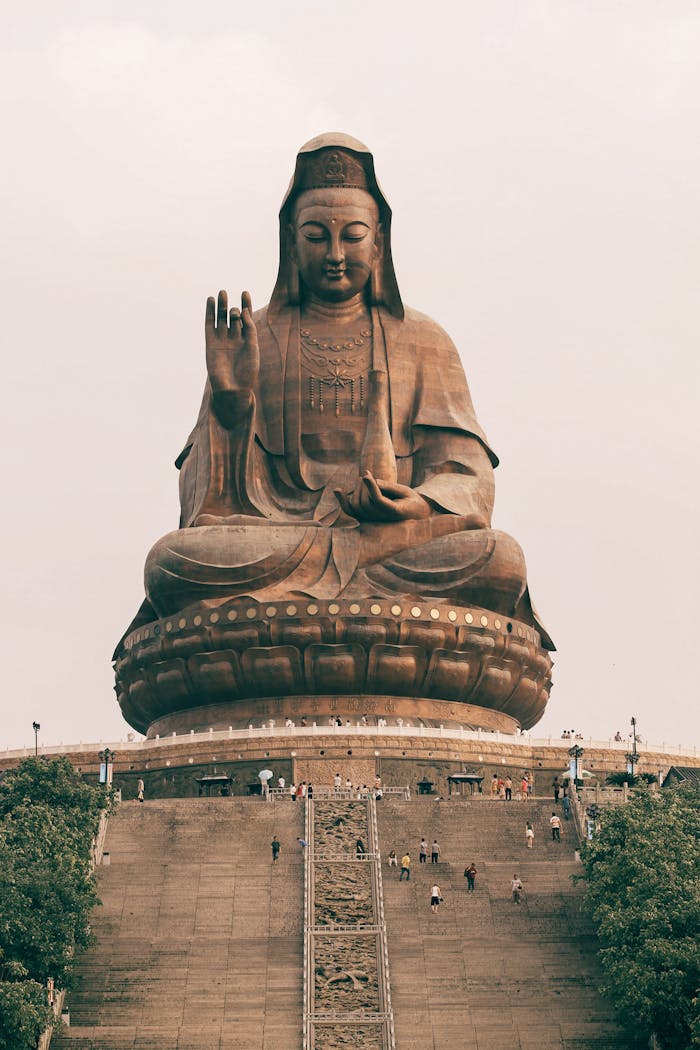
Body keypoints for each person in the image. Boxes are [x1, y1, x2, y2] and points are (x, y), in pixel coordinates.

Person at [126, 133, 552, 650]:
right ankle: (339, 597)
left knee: (499, 559)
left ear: (379, 242)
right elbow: (205, 502)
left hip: (389, 542)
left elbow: (469, 477)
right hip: (282, 536)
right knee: (173, 562)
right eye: (315, 237)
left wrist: (418, 506)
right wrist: (231, 408)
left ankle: (305, 603)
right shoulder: (254, 338)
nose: (334, 255)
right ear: (290, 241)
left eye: (352, 237)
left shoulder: (423, 339)